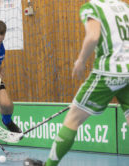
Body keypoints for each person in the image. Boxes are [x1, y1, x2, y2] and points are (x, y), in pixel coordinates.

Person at [24, 0, 129, 166]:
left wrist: (80, 61)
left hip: (109, 71)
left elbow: (93, 36)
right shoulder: (123, 6)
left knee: (73, 118)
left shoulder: (92, 7)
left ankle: (50, 165)